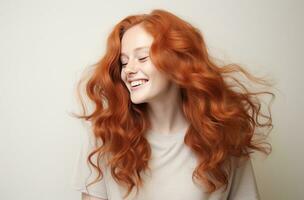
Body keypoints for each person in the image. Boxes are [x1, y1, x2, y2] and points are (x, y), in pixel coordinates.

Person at [71, 9, 275, 200]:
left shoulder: (224, 136)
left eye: (142, 57)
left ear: (178, 62)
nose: (129, 70)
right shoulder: (105, 137)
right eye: (124, 62)